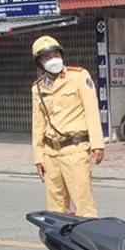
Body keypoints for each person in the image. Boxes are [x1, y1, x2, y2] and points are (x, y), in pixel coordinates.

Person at [30, 35, 105, 218]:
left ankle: (88, 242)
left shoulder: (79, 76)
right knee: (55, 208)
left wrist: (97, 144)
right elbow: (38, 124)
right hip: (50, 154)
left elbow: (92, 111)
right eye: (47, 57)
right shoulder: (38, 88)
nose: (53, 60)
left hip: (75, 150)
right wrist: (38, 156)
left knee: (83, 205)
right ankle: (61, 244)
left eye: (55, 55)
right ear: (40, 62)